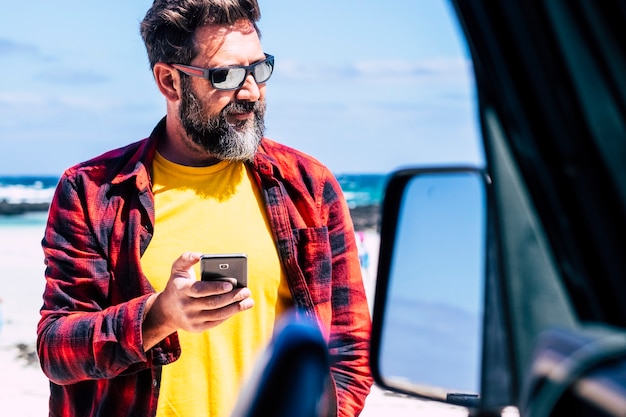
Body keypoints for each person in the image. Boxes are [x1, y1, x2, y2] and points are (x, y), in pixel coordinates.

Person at [36, 1, 373, 416]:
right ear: (169, 81)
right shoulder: (92, 190)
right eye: (226, 76)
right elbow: (56, 347)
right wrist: (157, 316)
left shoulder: (308, 186)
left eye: (259, 69)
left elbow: (349, 348)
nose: (249, 91)